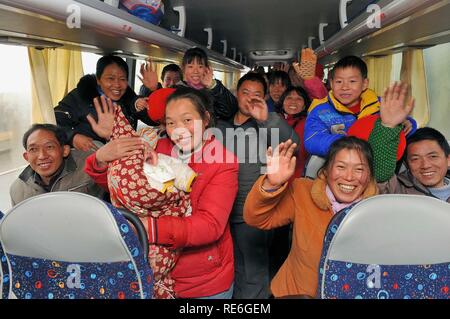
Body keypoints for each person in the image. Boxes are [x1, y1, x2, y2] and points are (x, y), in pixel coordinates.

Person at [84, 87, 239, 299]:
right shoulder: (155, 147)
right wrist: (102, 156)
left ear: (205, 119)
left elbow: (210, 225)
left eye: (187, 120)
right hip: (154, 275)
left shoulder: (222, 162)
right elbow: (126, 187)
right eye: (171, 122)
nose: (179, 129)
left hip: (202, 282)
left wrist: (147, 227)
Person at [243, 136, 379, 298]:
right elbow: (255, 218)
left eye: (359, 169)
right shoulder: (302, 191)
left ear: (369, 175)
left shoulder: (377, 212)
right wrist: (271, 184)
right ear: (326, 170)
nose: (349, 177)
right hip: (293, 294)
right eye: (341, 167)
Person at [215, 72, 300, 299]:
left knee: (253, 271)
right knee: (228, 267)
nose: (251, 99)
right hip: (221, 212)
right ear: (236, 94)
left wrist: (265, 119)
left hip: (250, 212)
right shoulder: (220, 126)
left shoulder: (268, 124)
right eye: (246, 93)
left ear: (264, 99)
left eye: (257, 94)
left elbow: (292, 143)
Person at [304, 55, 417, 157]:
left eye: (352, 81)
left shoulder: (380, 105)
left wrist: (407, 123)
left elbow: (400, 130)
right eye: (339, 82)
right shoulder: (320, 110)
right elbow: (312, 140)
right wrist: (350, 143)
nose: (345, 87)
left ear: (364, 84)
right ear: (331, 83)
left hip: (376, 165)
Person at [367, 82, 450, 202]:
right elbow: (379, 175)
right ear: (407, 164)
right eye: (415, 159)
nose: (425, 165)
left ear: (448, 160)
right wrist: (388, 126)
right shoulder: (398, 189)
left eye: (433, 156)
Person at [54, 55, 156, 152]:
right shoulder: (80, 96)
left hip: (125, 156)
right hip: (91, 156)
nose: (117, 85)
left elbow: (153, 121)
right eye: (110, 78)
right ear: (98, 80)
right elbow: (54, 121)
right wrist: (72, 137)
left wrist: (153, 90)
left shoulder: (130, 98)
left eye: (122, 79)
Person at [10, 124, 104, 206]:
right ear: (27, 157)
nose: (42, 156)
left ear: (65, 150)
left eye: (49, 147)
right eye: (33, 149)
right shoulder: (17, 191)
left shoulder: (89, 165)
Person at [176, 47, 238, 121]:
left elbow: (229, 112)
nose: (195, 71)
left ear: (206, 69)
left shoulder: (213, 89)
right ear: (183, 69)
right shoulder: (176, 91)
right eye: (190, 67)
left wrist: (213, 85)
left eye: (200, 66)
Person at [275, 86, 311, 178]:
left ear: (304, 106)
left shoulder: (307, 123)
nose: (293, 101)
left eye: (299, 98)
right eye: (289, 98)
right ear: (282, 103)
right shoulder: (273, 120)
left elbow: (301, 152)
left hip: (295, 176)